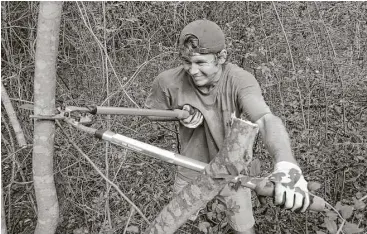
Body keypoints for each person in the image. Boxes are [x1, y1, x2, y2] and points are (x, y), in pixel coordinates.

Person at [145, 19, 309, 234]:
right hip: (190, 168)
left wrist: (287, 164)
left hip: (233, 173)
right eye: (186, 61)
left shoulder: (240, 81)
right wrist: (179, 115)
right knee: (174, 225)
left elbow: (265, 120)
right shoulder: (167, 81)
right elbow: (151, 114)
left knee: (244, 229)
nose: (192, 71)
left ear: (221, 57)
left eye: (201, 62)